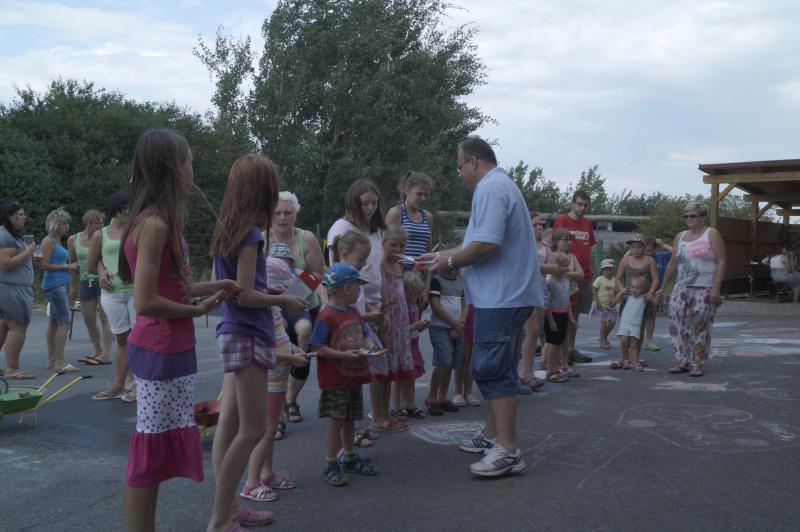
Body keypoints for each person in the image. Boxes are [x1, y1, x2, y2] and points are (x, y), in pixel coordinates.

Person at [119, 129, 233, 531]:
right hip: (160, 348)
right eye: (189, 162)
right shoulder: (153, 224)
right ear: (172, 167)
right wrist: (198, 308)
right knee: (148, 452)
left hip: (171, 348)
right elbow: (145, 301)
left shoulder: (158, 221)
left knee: (155, 447)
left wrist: (214, 286)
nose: (192, 171)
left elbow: (172, 287)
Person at [423, 137, 542, 477]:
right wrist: (439, 256)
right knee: (499, 365)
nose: (459, 173)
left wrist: (449, 263)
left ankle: (507, 448)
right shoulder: (500, 185)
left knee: (491, 368)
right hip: (507, 296)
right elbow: (477, 243)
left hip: (500, 297)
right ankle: (493, 435)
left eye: (459, 166)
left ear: (473, 161)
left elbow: (487, 244)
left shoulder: (489, 189)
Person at [207, 154, 307, 532]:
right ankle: (221, 518)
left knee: (229, 425)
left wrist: (272, 291)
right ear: (263, 189)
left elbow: (237, 287)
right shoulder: (250, 233)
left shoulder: (227, 227)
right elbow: (246, 296)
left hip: (232, 330)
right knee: (252, 429)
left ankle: (231, 508)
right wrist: (284, 300)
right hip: (249, 333)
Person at [239, 258, 309, 503]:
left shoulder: (273, 310)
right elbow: (263, 352)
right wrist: (289, 357)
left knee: (269, 430)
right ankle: (251, 482)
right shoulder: (260, 315)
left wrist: (293, 349)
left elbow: (280, 339)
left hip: (278, 381)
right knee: (265, 431)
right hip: (268, 381)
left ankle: (266, 474)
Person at [327, 181, 389, 431]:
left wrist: (384, 303)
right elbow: (339, 275)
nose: (370, 208)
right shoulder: (341, 229)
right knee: (364, 365)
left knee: (380, 361)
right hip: (355, 306)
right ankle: (365, 423)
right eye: (365, 204)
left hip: (375, 301)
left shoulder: (376, 230)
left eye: (374, 203)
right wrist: (363, 314)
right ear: (353, 203)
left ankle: (380, 414)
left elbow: (380, 267)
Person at [308, 262, 377, 487]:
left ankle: (348, 456)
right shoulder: (326, 316)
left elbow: (365, 333)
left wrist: (368, 344)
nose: (359, 290)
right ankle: (330, 462)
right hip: (335, 379)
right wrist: (343, 355)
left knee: (350, 418)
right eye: (357, 286)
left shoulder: (354, 312)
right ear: (347, 288)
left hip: (353, 377)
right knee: (337, 419)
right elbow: (317, 347)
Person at [270, 191, 325, 424]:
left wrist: (296, 289)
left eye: (288, 213)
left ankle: (291, 400)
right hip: (272, 308)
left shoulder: (307, 238)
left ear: (296, 215)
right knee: (279, 355)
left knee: (303, 343)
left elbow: (319, 272)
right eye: (278, 213)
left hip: (304, 305)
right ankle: (277, 409)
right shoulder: (262, 238)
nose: (282, 218)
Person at [656, 201, 726, 378]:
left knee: (700, 325)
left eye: (693, 215)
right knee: (678, 324)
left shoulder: (711, 234)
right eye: (686, 216)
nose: (689, 219)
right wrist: (662, 287)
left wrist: (716, 288)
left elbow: (721, 261)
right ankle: (683, 360)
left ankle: (696, 363)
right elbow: (672, 264)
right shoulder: (680, 237)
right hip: (681, 288)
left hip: (704, 288)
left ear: (703, 217)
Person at [88, 192, 136, 401]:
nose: (130, 211)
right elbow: (92, 264)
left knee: (137, 337)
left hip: (135, 289)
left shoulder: (136, 230)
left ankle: (135, 384)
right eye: (126, 207)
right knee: (123, 339)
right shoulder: (101, 235)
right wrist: (101, 271)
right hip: (111, 292)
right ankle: (121, 384)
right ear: (117, 209)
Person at [376, 225, 415, 430]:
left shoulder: (399, 265)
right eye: (393, 245)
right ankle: (381, 412)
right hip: (389, 318)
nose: (398, 249)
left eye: (402, 246)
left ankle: (393, 409)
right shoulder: (381, 264)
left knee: (397, 365)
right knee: (385, 367)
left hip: (401, 320)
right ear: (383, 244)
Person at [552, 191, 596, 363]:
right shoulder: (562, 221)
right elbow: (554, 245)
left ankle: (570, 349)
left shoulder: (587, 223)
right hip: (565, 275)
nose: (582, 207)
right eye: (579, 204)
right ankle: (557, 353)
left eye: (585, 205)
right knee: (561, 314)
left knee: (575, 316)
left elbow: (589, 249)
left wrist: (590, 271)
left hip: (583, 275)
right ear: (572, 204)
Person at [520, 213, 562, 389]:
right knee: (530, 331)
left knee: (535, 331)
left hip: (542, 291)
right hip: (527, 291)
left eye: (540, 225)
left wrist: (538, 267)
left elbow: (555, 267)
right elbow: (523, 266)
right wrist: (543, 268)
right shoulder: (523, 244)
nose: (539, 228)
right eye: (535, 225)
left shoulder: (545, 246)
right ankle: (526, 374)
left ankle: (527, 373)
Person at [68, 209, 113, 365]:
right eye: (97, 223)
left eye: (102, 223)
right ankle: (97, 350)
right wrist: (72, 286)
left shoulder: (103, 237)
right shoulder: (73, 239)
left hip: (101, 280)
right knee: (88, 318)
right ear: (88, 223)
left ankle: (105, 354)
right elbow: (72, 263)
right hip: (85, 281)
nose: (100, 226)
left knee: (105, 317)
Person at [40, 208, 80, 373]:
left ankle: (52, 359)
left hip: (58, 285)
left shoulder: (57, 241)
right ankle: (59, 362)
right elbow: (43, 265)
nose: (66, 227)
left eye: (67, 224)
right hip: (55, 286)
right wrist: (67, 266)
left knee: (54, 322)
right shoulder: (48, 241)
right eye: (63, 224)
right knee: (64, 323)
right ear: (55, 224)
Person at [385, 171, 434, 304]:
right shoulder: (396, 213)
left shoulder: (428, 217)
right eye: (419, 194)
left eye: (426, 195)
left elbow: (429, 255)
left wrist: (427, 287)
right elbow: (383, 247)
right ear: (407, 190)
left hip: (419, 277)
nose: (423, 198)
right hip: (398, 275)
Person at [0, 201, 36, 379]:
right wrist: (27, 253)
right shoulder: (5, 236)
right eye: (20, 214)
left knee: (4, 327)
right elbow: (5, 264)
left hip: (11, 288)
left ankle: (10, 368)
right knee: (18, 328)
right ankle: (12, 369)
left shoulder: (9, 235)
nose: (24, 217)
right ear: (10, 216)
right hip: (13, 289)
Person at [426, 266, 466, 416]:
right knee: (444, 360)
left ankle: (442, 397)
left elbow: (465, 305)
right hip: (440, 327)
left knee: (451, 363)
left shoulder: (460, 281)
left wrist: (460, 323)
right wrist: (455, 324)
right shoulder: (437, 281)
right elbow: (436, 306)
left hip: (457, 328)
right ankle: (432, 398)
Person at [615, 234, 658, 360]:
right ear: (630, 248)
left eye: (639, 247)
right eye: (633, 247)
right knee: (625, 328)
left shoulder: (650, 261)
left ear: (644, 248)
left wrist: (651, 292)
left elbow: (655, 279)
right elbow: (618, 278)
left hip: (644, 299)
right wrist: (621, 289)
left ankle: (636, 357)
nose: (636, 249)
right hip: (629, 299)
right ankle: (624, 357)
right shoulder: (625, 260)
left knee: (640, 328)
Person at [543, 252, 575, 383]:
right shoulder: (550, 281)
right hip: (553, 315)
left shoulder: (566, 281)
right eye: (563, 265)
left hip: (563, 314)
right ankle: (550, 371)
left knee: (559, 343)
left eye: (567, 265)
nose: (566, 268)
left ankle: (556, 368)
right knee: (553, 344)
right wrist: (551, 320)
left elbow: (567, 300)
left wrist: (570, 317)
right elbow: (547, 302)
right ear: (555, 265)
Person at [401, 271, 428, 417]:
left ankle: (411, 404)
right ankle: (400, 404)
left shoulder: (414, 306)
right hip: (403, 347)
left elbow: (415, 326)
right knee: (401, 378)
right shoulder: (401, 307)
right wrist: (414, 326)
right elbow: (398, 329)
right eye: (414, 293)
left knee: (411, 378)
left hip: (413, 345)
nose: (416, 296)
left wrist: (421, 326)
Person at [610, 274, 651, 371]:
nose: (634, 290)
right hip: (625, 323)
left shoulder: (644, 298)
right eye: (632, 287)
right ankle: (625, 360)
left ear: (643, 289)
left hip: (635, 324)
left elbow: (653, 300)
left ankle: (635, 362)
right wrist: (618, 295)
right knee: (624, 342)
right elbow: (616, 301)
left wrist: (655, 297)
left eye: (637, 288)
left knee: (634, 345)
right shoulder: (628, 297)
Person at [642, 236, 672, 349]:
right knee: (638, 317)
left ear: (655, 249)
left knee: (651, 317)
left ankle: (648, 341)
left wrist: (663, 244)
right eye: (644, 250)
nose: (646, 253)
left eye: (649, 250)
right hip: (641, 292)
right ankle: (635, 340)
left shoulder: (661, 257)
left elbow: (678, 253)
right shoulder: (639, 258)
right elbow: (625, 258)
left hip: (656, 293)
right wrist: (634, 245)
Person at [452, 304, 480, 407]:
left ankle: (468, 393)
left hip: (477, 311)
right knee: (461, 357)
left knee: (471, 357)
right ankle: (458, 392)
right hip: (462, 313)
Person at [590, 258, 620, 349]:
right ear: (602, 270)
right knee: (603, 322)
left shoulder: (615, 280)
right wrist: (596, 301)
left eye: (610, 270)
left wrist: (615, 301)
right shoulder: (599, 279)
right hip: (601, 305)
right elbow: (594, 290)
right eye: (606, 270)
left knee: (613, 321)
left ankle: (603, 337)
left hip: (610, 306)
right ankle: (603, 341)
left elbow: (617, 292)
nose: (608, 272)